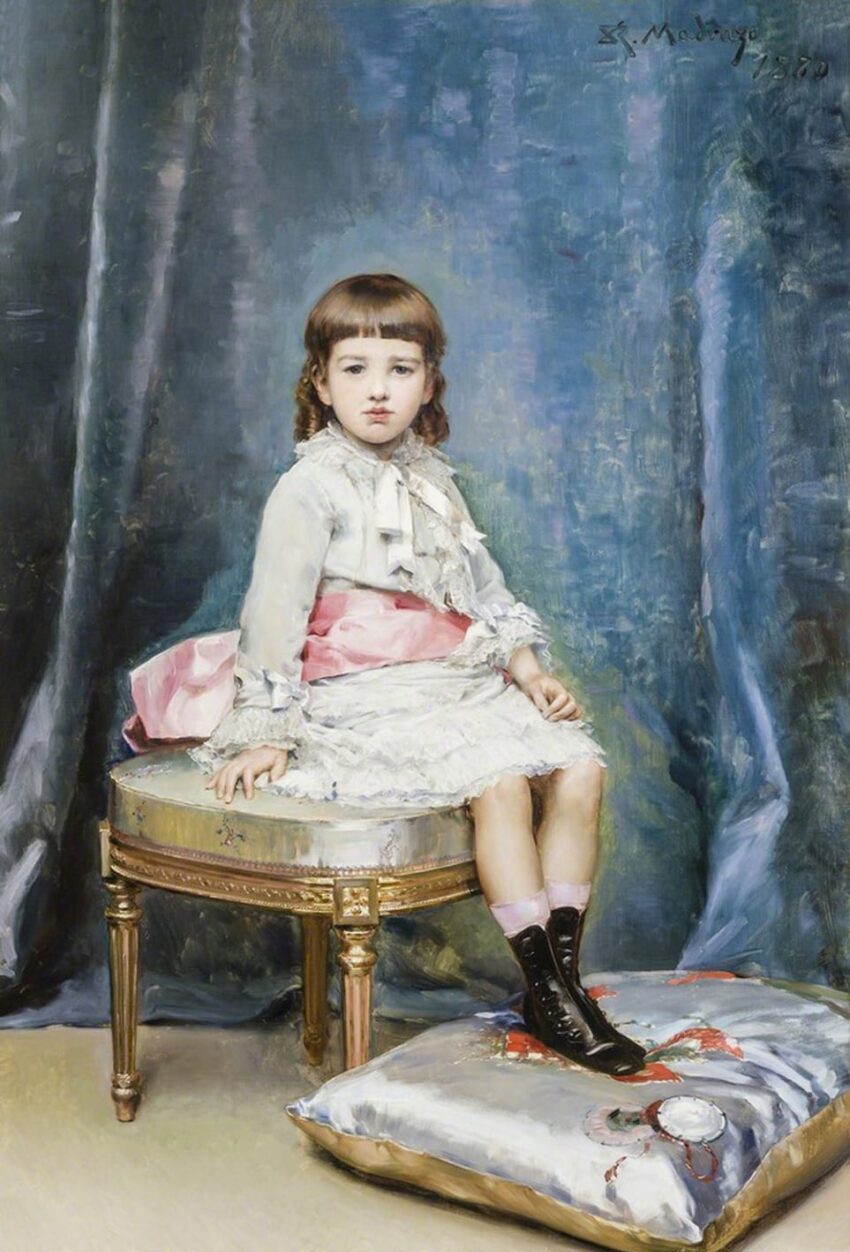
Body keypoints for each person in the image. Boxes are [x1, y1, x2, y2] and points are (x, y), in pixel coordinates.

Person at [188, 272, 645, 1076]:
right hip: (362, 695)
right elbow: (272, 617)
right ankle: (542, 985)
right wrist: (268, 731)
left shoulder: (431, 478)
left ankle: (560, 991)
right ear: (320, 383)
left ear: (428, 382)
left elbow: (484, 587)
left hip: (449, 680)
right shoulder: (310, 486)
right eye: (356, 369)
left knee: (579, 767)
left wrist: (528, 670)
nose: (378, 390)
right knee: (501, 781)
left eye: (400, 369)